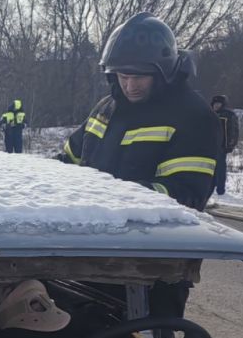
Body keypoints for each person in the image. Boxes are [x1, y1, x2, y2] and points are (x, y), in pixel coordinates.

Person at [58, 12, 219, 212]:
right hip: (94, 229)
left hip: (148, 239)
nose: (130, 86)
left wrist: (116, 198)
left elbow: (186, 194)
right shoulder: (105, 109)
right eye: (123, 76)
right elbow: (66, 162)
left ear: (163, 73)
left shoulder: (193, 117)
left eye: (139, 77)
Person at [211, 94, 239, 196]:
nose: (216, 106)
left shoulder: (228, 115)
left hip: (222, 145)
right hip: (210, 146)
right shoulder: (210, 113)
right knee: (210, 167)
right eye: (215, 103)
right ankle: (211, 187)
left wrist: (231, 144)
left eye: (219, 104)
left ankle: (220, 189)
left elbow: (234, 131)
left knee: (220, 168)